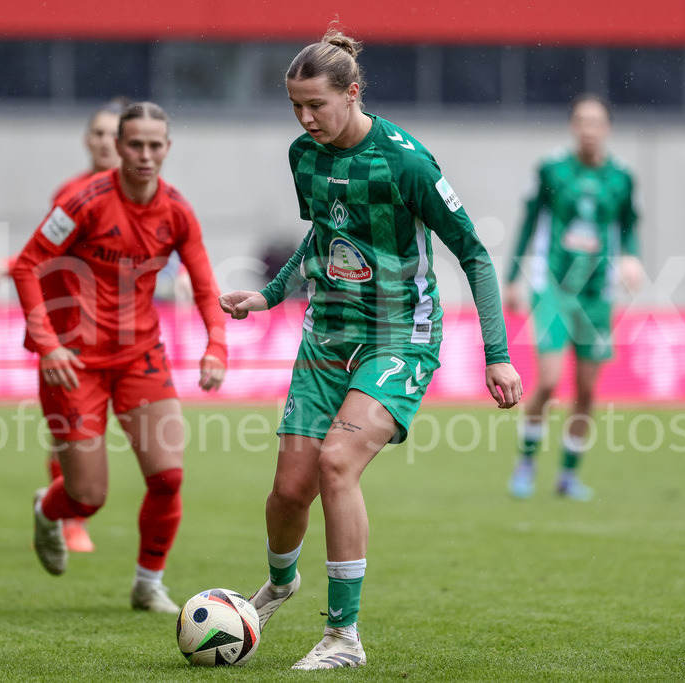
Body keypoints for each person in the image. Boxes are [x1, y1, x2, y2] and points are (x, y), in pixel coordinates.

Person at [219, 29, 522, 670]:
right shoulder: (305, 154)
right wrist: (271, 296)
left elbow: (473, 254)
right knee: (287, 492)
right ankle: (278, 584)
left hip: (398, 339)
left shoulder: (408, 162)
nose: (305, 119)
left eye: (316, 106)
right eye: (295, 107)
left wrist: (496, 351)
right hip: (325, 338)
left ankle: (342, 637)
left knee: (336, 464)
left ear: (352, 92)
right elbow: (322, 237)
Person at [11, 101, 228, 613]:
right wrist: (48, 344)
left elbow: (202, 283)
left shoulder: (176, 210)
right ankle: (47, 509)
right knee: (87, 498)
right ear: (118, 146)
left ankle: (148, 583)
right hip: (73, 361)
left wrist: (216, 343)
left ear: (167, 149)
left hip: (139, 356)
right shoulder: (84, 202)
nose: (146, 155)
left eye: (156, 145)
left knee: (168, 476)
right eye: (136, 145)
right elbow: (26, 266)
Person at [0, 98, 128, 553]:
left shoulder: (143, 193)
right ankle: (67, 519)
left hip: (119, 332)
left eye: (115, 133)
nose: (107, 142)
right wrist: (11, 263)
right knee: (75, 429)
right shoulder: (72, 191)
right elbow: (52, 251)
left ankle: (62, 507)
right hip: (68, 325)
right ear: (87, 139)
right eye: (100, 133)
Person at [503, 93, 643, 501]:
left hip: (597, 294)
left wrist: (632, 255)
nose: (589, 129)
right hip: (553, 289)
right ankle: (526, 461)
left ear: (608, 128)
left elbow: (630, 224)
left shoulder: (622, 177)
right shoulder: (552, 170)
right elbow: (529, 221)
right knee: (547, 380)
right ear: (572, 126)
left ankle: (567, 475)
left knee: (587, 391)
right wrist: (513, 278)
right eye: (582, 121)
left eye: (596, 122)